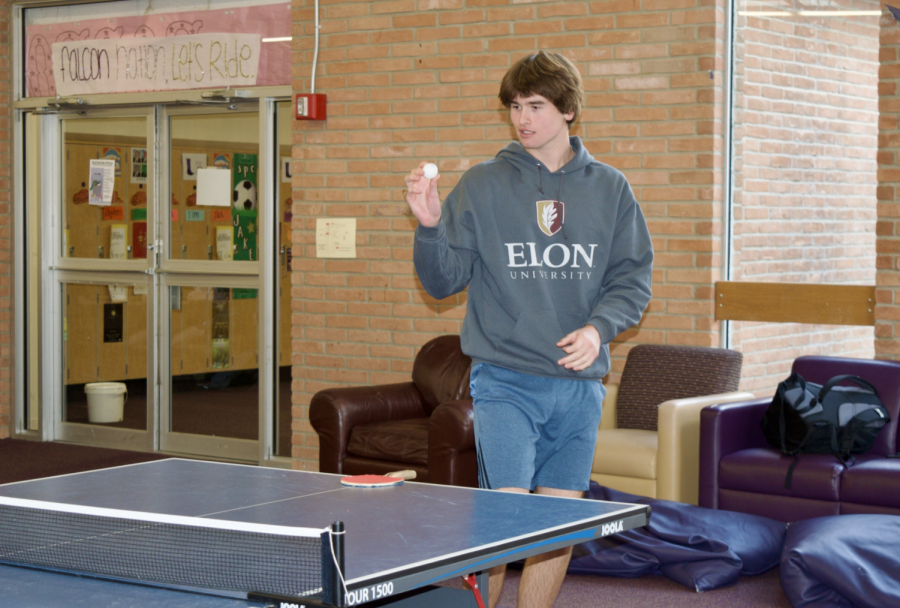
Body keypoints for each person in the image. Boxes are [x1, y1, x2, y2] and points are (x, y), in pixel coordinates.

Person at [404, 50, 653, 608]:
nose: (523, 118)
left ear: (567, 111)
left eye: (536, 105)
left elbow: (632, 280)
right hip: (505, 379)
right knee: (508, 519)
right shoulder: (483, 185)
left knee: (556, 529)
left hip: (579, 386)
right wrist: (428, 226)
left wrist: (598, 328)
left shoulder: (611, 189)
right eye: (515, 106)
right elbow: (443, 283)